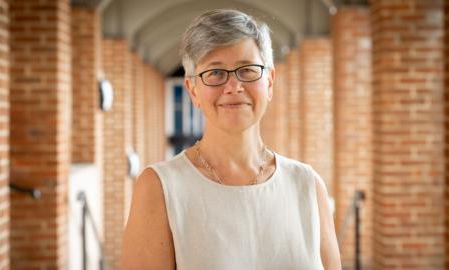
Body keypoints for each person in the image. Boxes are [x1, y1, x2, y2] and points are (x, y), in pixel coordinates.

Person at [121, 9, 341, 270]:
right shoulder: (159, 189)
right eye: (215, 73)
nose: (234, 86)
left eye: (247, 69)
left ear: (269, 82)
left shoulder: (307, 185)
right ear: (193, 90)